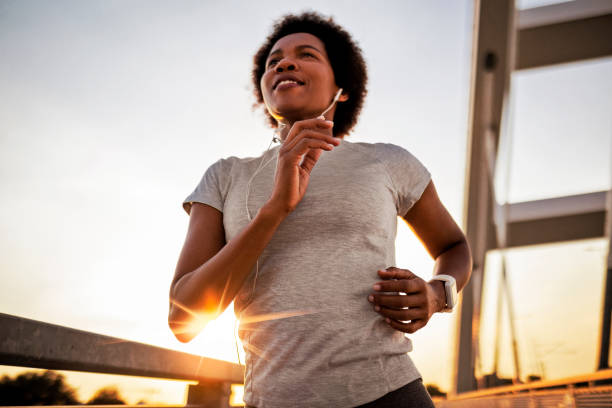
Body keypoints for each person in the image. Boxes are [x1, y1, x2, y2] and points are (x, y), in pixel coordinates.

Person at [168, 12, 472, 408]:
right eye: (272, 61)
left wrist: (437, 293)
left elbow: (454, 245)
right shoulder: (225, 176)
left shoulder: (386, 162)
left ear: (341, 88)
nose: (284, 63)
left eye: (306, 54)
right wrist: (275, 209)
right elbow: (183, 320)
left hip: (391, 395)